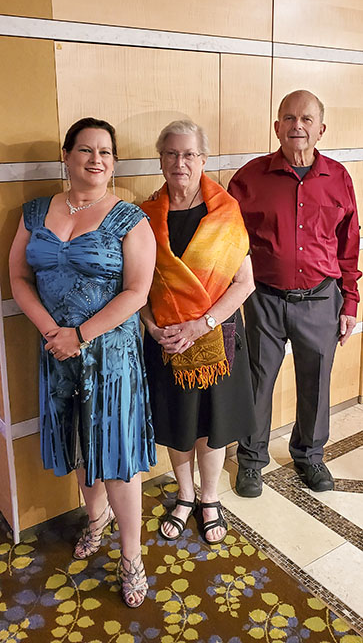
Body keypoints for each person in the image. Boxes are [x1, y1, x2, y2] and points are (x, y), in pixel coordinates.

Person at [9, 117, 157, 608]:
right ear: (67, 156)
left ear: (112, 163)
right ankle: (96, 521)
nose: (96, 159)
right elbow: (19, 278)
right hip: (56, 351)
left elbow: (137, 291)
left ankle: (132, 556)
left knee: (116, 456)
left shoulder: (129, 218)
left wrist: (80, 334)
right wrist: (54, 333)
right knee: (78, 441)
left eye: (106, 153)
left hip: (110, 357)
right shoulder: (33, 213)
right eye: (86, 150)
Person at [228, 90, 361, 496]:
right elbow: (229, 242)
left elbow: (348, 243)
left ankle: (310, 456)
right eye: (288, 118)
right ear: (277, 127)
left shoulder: (338, 178)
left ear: (321, 129)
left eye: (306, 119)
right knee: (258, 381)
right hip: (264, 299)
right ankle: (251, 461)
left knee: (317, 381)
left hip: (322, 298)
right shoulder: (249, 178)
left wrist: (350, 301)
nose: (297, 126)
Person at [141, 119, 256, 544]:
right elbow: (139, 286)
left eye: (189, 154)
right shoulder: (145, 216)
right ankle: (184, 496)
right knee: (179, 421)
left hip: (216, 338)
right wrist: (152, 328)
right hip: (167, 342)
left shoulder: (225, 213)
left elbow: (245, 282)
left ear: (203, 160)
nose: (180, 162)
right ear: (161, 160)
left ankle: (210, 498)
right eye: (171, 153)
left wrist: (201, 323)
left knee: (210, 422)